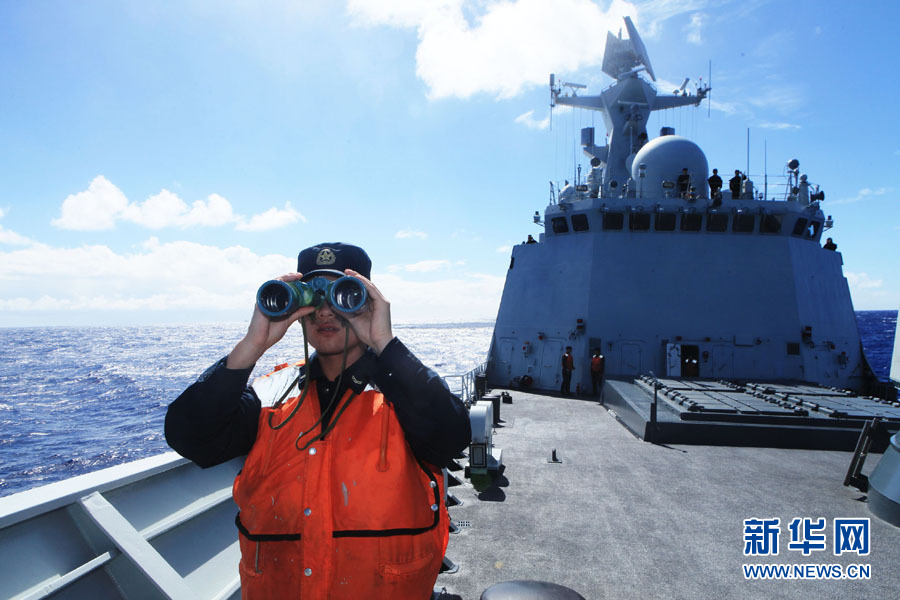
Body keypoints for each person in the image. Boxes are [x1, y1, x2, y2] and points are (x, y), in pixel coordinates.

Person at [165, 242, 471, 599]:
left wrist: (384, 341)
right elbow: (190, 437)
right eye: (311, 298)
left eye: (342, 295)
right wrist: (252, 345)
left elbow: (451, 436)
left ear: (367, 301)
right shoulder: (273, 392)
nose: (324, 311)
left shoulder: (403, 392)